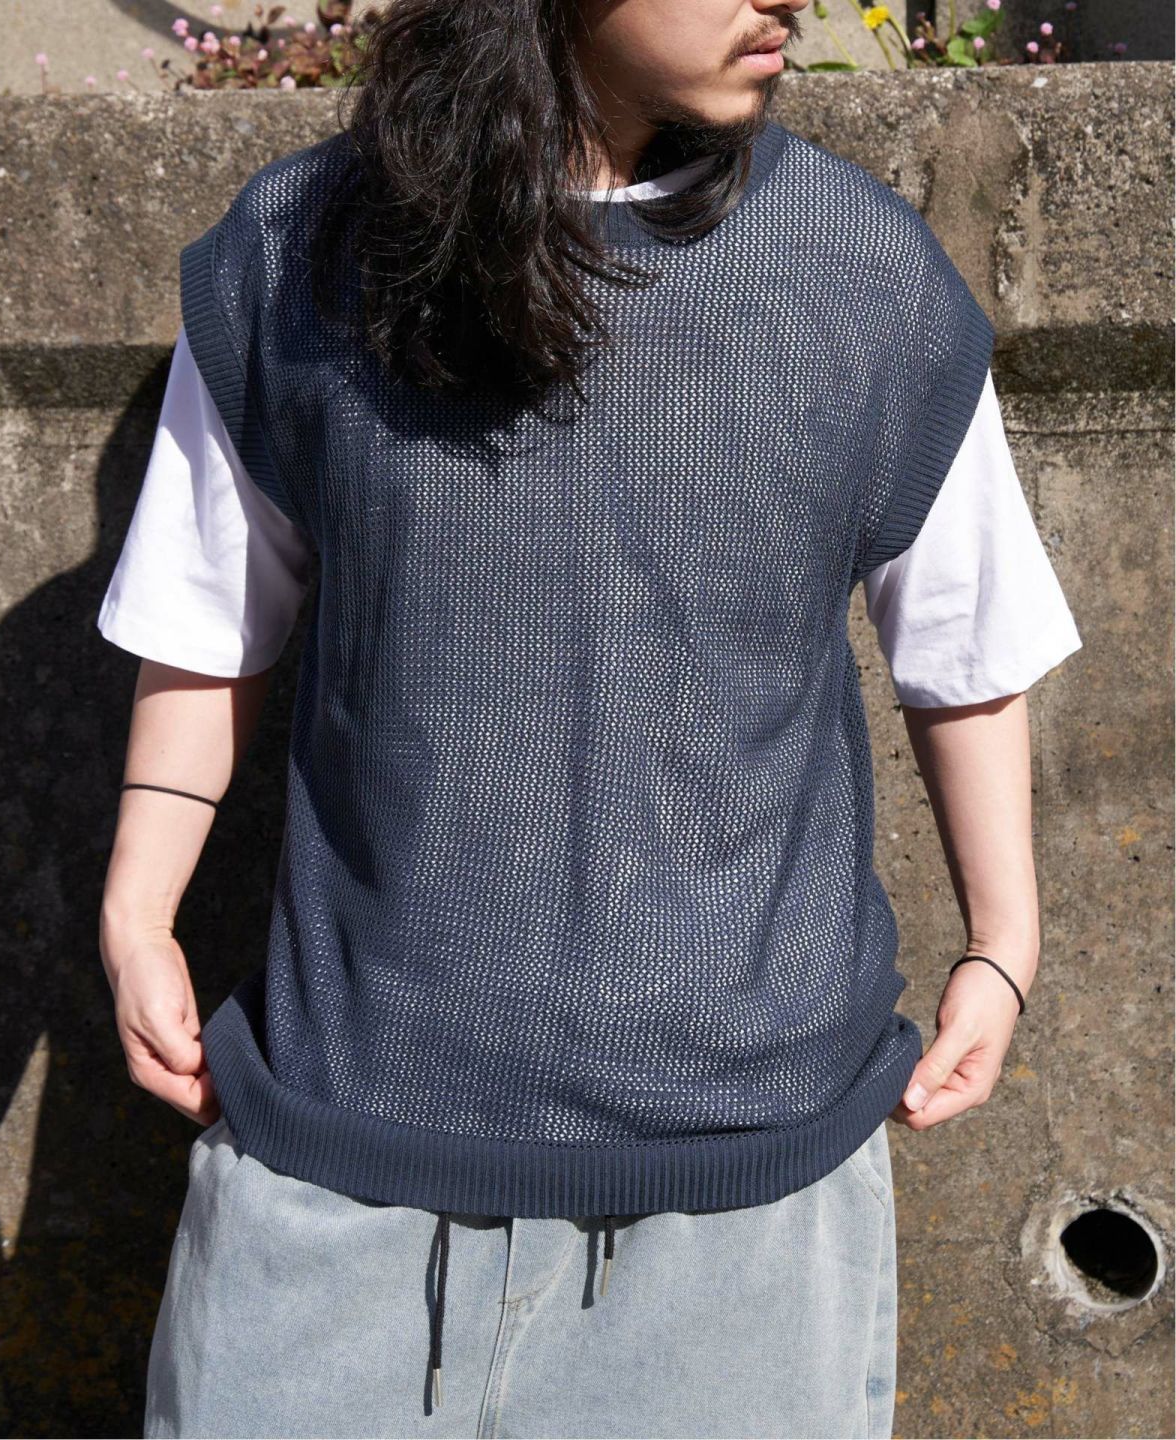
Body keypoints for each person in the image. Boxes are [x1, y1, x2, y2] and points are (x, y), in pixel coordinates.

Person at [96, 1, 1082, 1436]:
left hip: (743, 1214)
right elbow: (206, 611)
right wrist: (138, 911)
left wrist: (1005, 943)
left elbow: (963, 634)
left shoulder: (858, 271)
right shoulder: (303, 250)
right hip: (334, 1170)